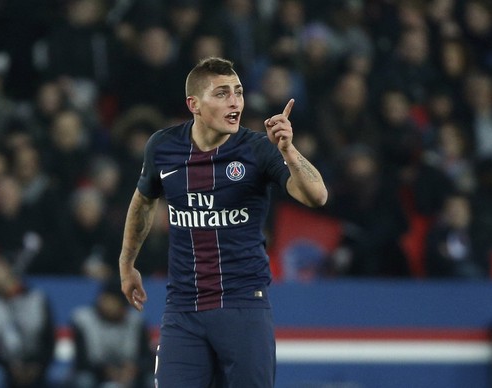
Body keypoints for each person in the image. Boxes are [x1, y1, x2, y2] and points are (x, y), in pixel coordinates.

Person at [118, 56, 327, 388]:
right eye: (222, 93)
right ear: (194, 104)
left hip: (243, 305)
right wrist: (127, 263)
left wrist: (289, 151)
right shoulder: (163, 146)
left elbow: (317, 195)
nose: (235, 102)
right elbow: (143, 201)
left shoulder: (258, 149)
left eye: (239, 92)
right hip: (183, 308)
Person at [0, 253, 56, 387]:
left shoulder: (37, 299)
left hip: (34, 365)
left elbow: (48, 339)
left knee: (55, 375)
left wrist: (37, 365)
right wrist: (8, 367)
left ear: (11, 270)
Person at [69, 277, 155, 388]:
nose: (106, 304)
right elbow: (81, 361)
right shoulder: (83, 320)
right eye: (105, 299)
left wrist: (135, 368)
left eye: (114, 301)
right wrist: (106, 371)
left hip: (128, 374)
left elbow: (146, 356)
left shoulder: (136, 322)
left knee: (152, 380)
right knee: (84, 381)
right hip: (94, 372)